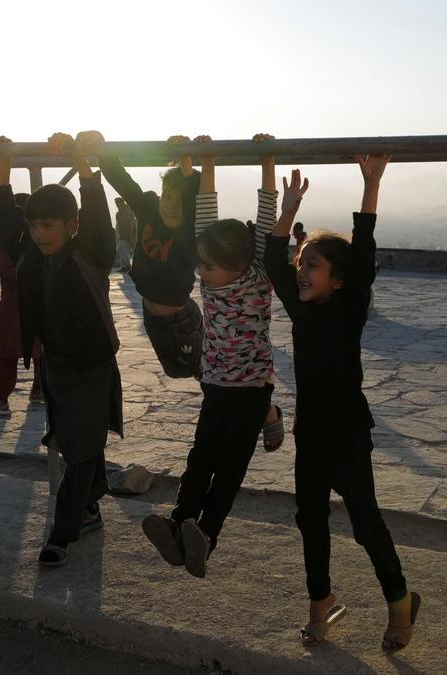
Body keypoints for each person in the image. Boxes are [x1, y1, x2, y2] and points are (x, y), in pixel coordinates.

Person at [265, 159, 420, 652]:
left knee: (364, 523)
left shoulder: (348, 308)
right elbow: (272, 261)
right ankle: (321, 605)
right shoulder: (300, 307)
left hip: (348, 434)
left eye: (313, 264)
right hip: (311, 434)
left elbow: (364, 250)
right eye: (301, 262)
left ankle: (400, 602)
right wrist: (287, 213)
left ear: (337, 279)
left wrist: (371, 186)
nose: (301, 269)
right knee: (310, 520)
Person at [141, 133, 281, 579]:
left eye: (209, 267)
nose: (200, 274)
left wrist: (268, 161)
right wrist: (207, 162)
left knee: (229, 466)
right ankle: (179, 523)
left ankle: (207, 533)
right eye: (200, 265)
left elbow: (266, 217)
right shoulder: (210, 281)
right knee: (201, 457)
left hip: (251, 391)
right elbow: (207, 212)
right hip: (216, 385)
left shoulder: (257, 277)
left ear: (241, 265)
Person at [0, 132, 121, 568]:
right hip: (57, 365)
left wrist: (82, 159)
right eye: (34, 226)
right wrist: (3, 157)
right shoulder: (28, 253)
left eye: (48, 226)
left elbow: (96, 206)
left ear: (71, 226)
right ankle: (92, 505)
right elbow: (2, 205)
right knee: (79, 441)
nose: (39, 234)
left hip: (94, 366)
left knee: (78, 451)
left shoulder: (92, 252)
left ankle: (62, 534)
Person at [97, 133, 202, 378]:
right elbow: (119, 178)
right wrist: (100, 144)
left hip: (180, 320)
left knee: (200, 372)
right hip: (153, 317)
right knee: (181, 371)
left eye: (180, 201)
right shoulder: (148, 209)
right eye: (167, 197)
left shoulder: (189, 230)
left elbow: (193, 194)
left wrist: (185, 157)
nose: (171, 206)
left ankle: (265, 414)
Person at [0, 191, 45, 419]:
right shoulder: (14, 237)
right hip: (18, 301)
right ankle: (10, 397)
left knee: (18, 352)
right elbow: (8, 272)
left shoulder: (16, 236)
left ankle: (7, 398)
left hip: (20, 303)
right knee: (18, 351)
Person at [113, 197, 136, 273]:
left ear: (121, 203)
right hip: (122, 234)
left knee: (124, 250)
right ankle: (124, 266)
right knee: (121, 249)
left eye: (117, 203)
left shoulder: (126, 211)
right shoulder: (121, 211)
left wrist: (131, 236)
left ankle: (127, 266)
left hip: (126, 234)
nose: (117, 205)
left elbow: (130, 224)